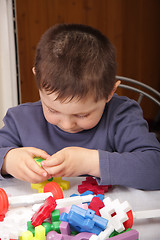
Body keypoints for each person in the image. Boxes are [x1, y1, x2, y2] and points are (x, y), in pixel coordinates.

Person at [0, 23, 160, 190]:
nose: (67, 124)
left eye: (82, 115)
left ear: (109, 92)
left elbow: (155, 168)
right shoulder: (21, 120)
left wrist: (90, 162)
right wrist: (7, 161)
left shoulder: (120, 116)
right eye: (53, 110)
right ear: (38, 80)